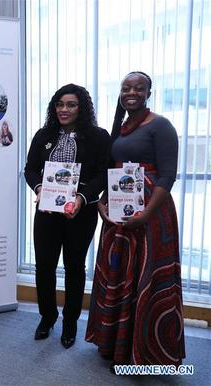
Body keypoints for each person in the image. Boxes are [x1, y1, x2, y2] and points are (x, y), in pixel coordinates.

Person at [85, 71, 185, 368]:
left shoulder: (161, 126)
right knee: (118, 273)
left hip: (151, 215)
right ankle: (114, 345)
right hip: (119, 212)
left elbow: (168, 175)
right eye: (126, 87)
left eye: (138, 88)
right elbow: (112, 169)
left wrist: (146, 215)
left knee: (145, 277)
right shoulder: (122, 126)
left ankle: (144, 352)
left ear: (148, 93)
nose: (132, 92)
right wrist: (102, 201)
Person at [24, 84, 111, 349]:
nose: (64, 109)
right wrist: (40, 188)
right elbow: (30, 169)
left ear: (81, 107)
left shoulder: (98, 136)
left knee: (74, 268)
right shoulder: (44, 134)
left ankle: (70, 321)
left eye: (71, 104)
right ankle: (47, 316)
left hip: (81, 214)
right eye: (60, 104)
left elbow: (102, 173)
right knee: (45, 267)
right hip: (48, 213)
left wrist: (81, 198)